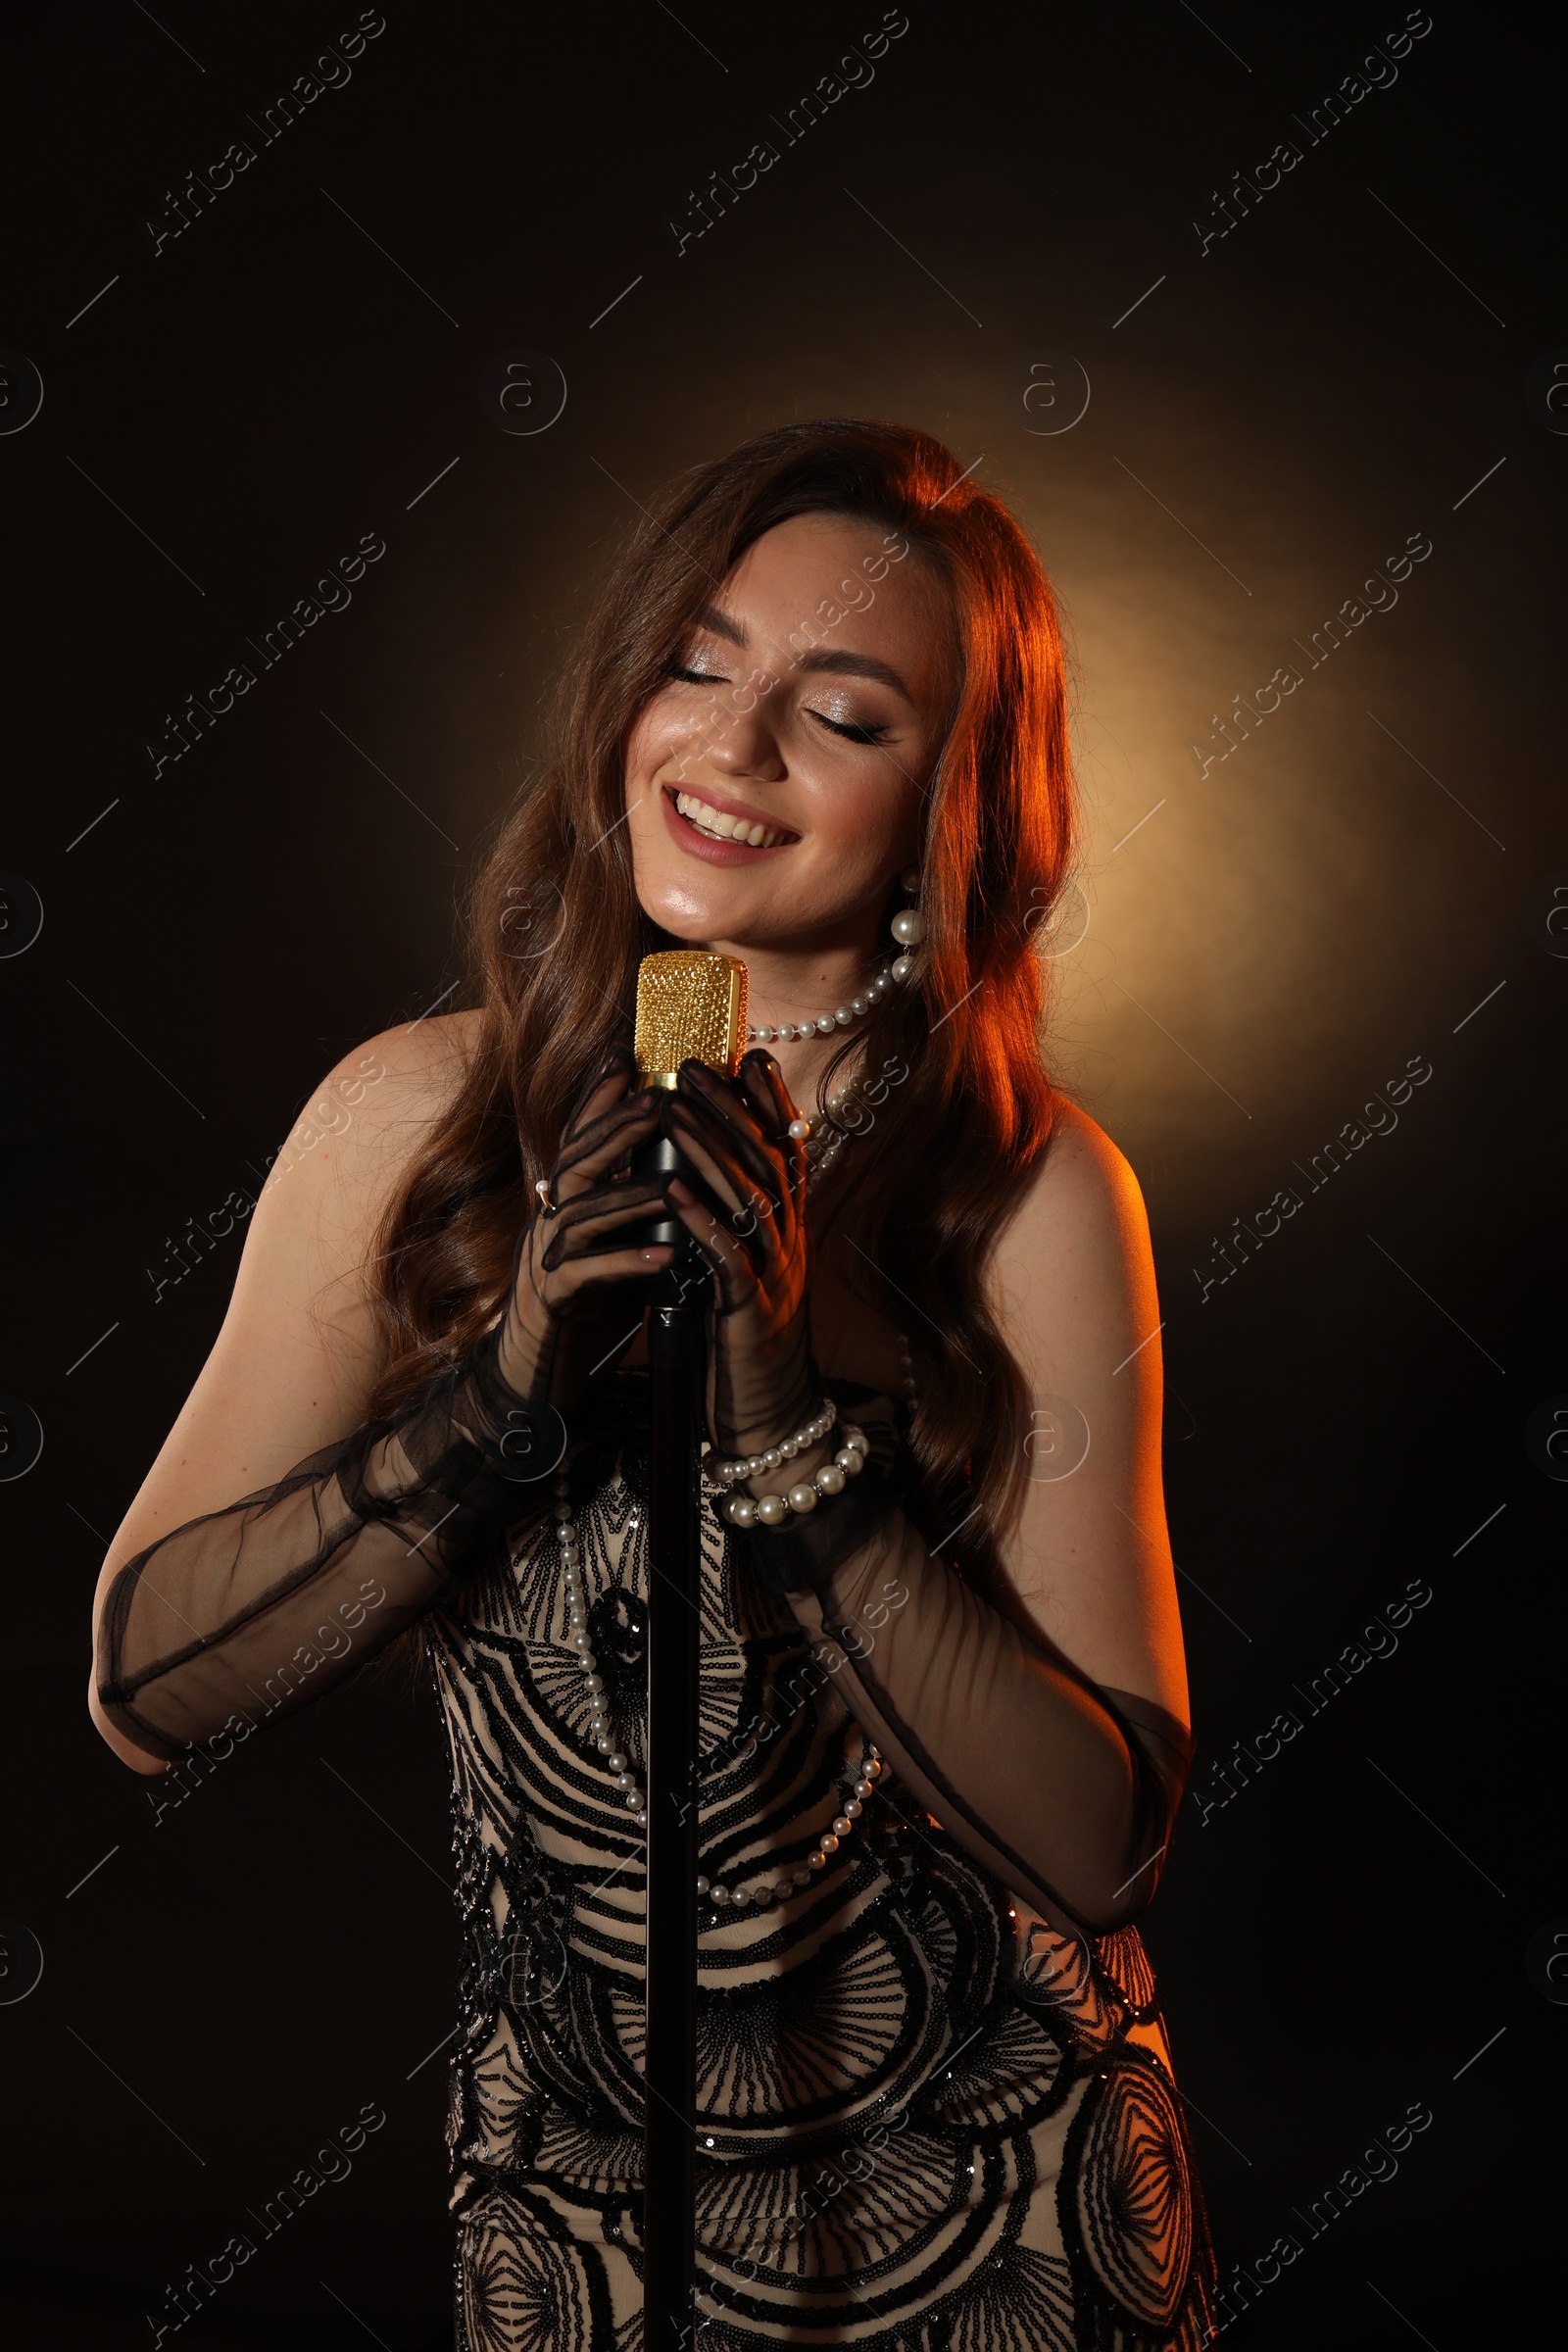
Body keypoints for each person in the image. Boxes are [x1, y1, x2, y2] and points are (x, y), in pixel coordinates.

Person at [91, 418, 1217, 2348]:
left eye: (844, 713)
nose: (735, 744)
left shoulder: (1022, 1187)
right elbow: (140, 1691)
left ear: (950, 798)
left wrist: (777, 1421)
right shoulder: (411, 1121)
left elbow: (1100, 1837)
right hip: (580, 2223)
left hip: (999, 2217)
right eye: (697, 661)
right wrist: (512, 1385)